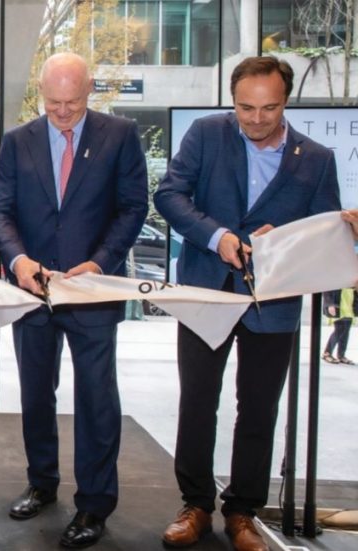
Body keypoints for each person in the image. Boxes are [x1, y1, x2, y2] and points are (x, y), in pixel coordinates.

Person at [154, 56, 340, 551]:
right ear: (233, 100)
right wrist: (216, 236)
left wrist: (286, 240)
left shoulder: (317, 159)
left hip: (272, 301)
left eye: (269, 108)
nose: (256, 119)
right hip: (207, 290)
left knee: (258, 409)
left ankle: (243, 512)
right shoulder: (205, 134)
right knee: (197, 402)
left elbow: (321, 231)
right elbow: (169, 196)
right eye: (245, 108)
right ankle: (195, 504)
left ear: (286, 101)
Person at [0, 52, 148, 548]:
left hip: (92, 291)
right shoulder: (17, 141)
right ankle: (42, 482)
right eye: (53, 102)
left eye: (72, 103)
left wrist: (99, 264)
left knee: (97, 398)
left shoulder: (119, 136)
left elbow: (132, 207)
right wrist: (18, 261)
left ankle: (94, 504)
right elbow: (1, 211)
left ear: (89, 89)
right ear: (41, 92)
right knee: (36, 393)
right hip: (32, 291)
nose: (61, 112)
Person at [322, 287, 355, 365]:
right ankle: (327, 353)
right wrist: (330, 304)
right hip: (339, 303)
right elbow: (327, 289)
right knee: (340, 329)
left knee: (346, 330)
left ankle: (341, 355)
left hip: (349, 303)